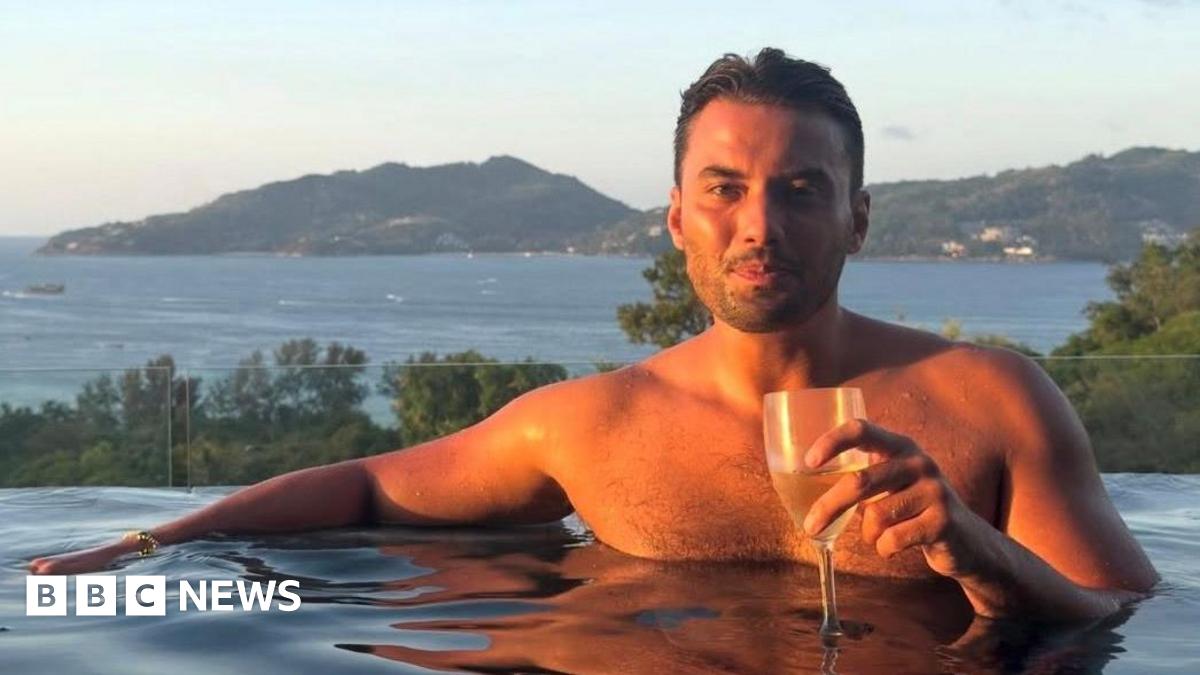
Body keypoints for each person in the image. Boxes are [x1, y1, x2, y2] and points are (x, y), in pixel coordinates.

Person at [30, 47, 1156, 620]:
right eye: (724, 188)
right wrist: (143, 551)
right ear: (677, 220)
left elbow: (1119, 616)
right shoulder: (593, 426)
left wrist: (978, 553)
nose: (759, 224)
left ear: (858, 216)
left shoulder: (992, 399)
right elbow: (368, 489)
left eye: (803, 189)